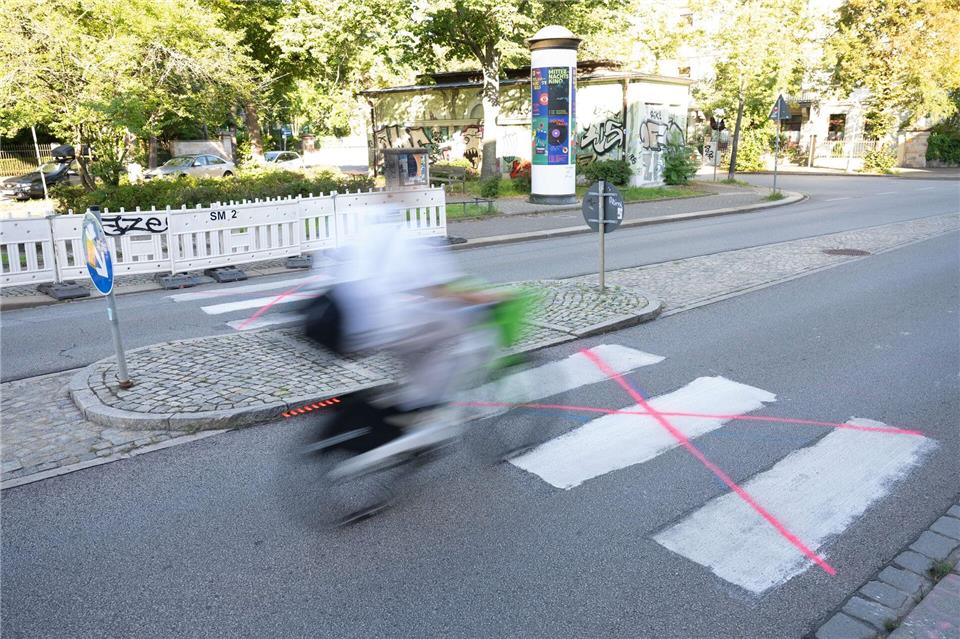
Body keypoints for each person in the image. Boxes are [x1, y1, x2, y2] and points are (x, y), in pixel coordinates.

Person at [311, 209, 499, 477]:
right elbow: (439, 289)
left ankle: (408, 410)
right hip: (382, 324)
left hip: (348, 323)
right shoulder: (412, 240)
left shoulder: (368, 235)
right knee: (451, 329)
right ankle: (422, 416)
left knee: (421, 346)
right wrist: (489, 298)